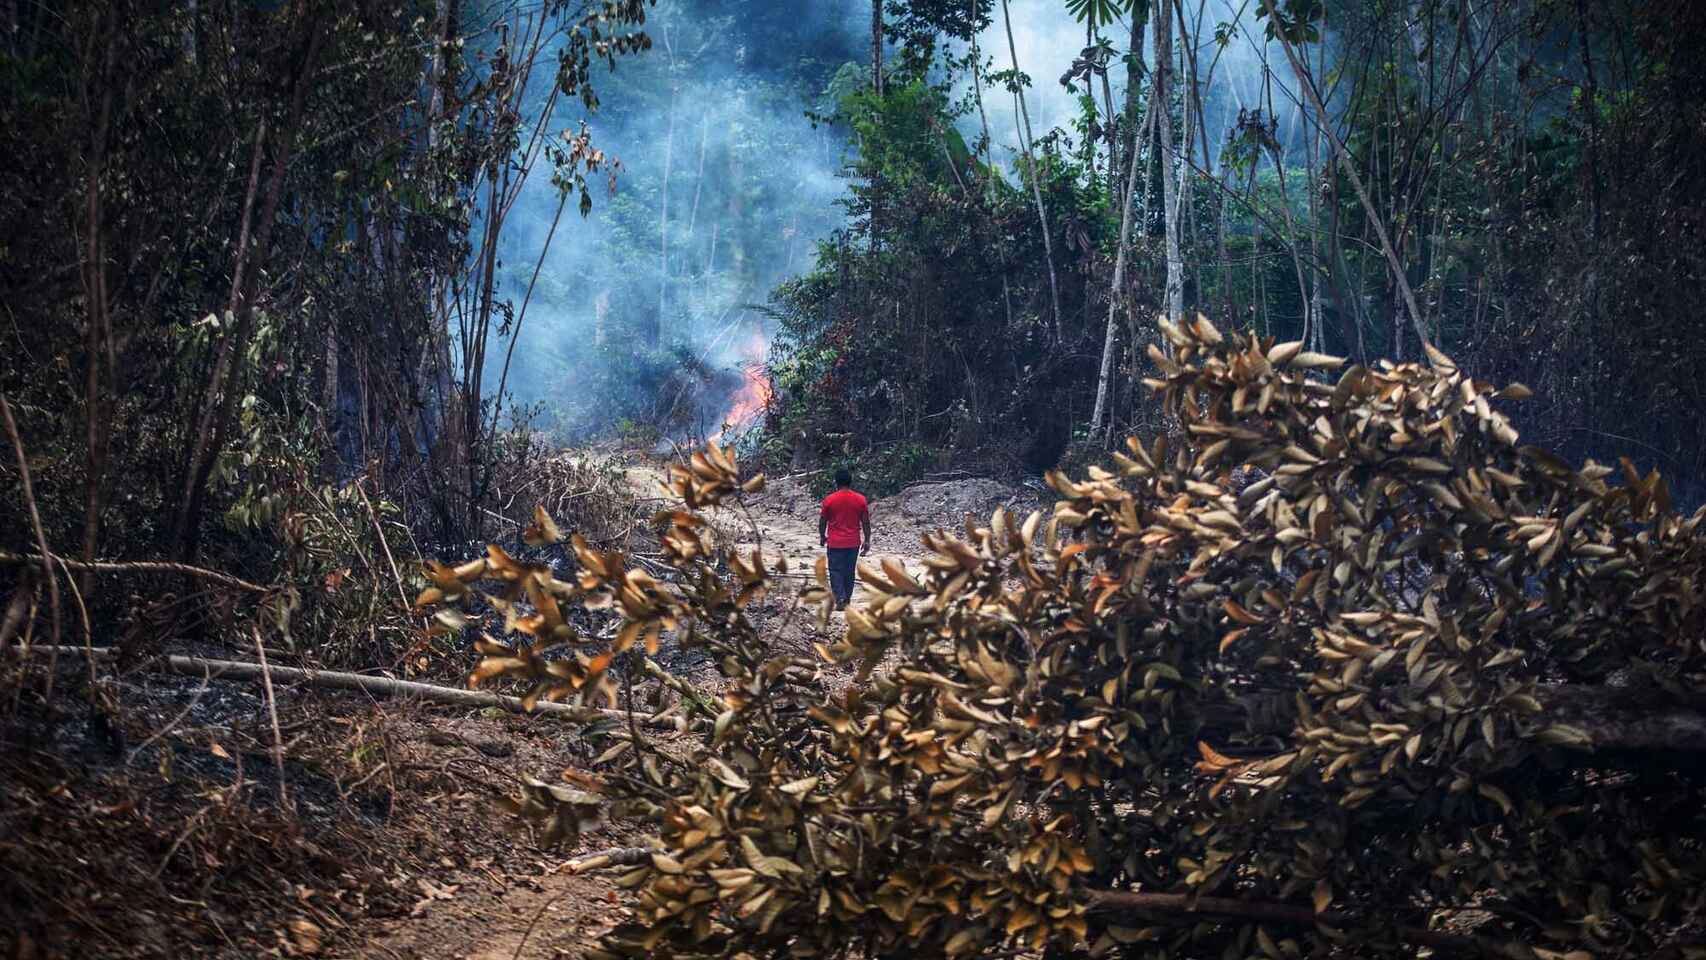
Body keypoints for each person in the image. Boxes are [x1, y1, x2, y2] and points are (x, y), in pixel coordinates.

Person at [818, 468, 870, 610]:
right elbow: (865, 522)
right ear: (850, 482)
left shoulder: (829, 500)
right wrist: (867, 540)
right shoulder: (860, 499)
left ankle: (840, 597)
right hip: (853, 542)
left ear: (836, 482)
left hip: (835, 542)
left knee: (835, 570)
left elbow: (823, 521)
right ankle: (846, 598)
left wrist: (823, 536)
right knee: (849, 571)